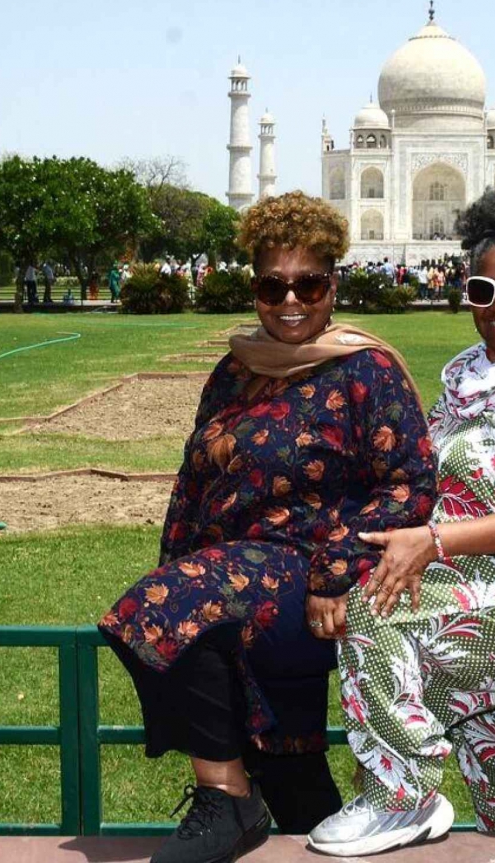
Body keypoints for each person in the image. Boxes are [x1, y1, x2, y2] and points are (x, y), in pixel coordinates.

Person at [97, 192, 436, 863]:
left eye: (308, 283)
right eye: (272, 284)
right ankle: (258, 797)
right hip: (230, 585)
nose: (290, 300)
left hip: (306, 582)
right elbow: (195, 482)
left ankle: (226, 797)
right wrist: (182, 566)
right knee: (289, 766)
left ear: (332, 284)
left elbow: (410, 485)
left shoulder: (365, 370)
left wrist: (334, 568)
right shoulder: (236, 371)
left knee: (153, 608)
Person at [309, 186, 495, 855]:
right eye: (484, 288)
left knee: (375, 614)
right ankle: (406, 784)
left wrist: (434, 541)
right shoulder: (466, 379)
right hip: (463, 582)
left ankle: (401, 796)